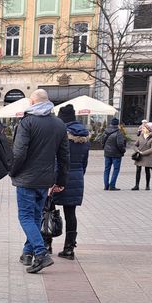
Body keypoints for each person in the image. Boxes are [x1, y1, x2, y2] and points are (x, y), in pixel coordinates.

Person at [11, 89, 69, 273]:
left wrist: (12, 171)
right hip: (45, 180)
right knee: (35, 216)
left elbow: (19, 153)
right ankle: (27, 254)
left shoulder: (27, 123)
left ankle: (41, 253)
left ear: (33, 102)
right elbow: (64, 156)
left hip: (27, 179)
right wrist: (60, 180)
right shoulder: (59, 124)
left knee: (26, 217)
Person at [49, 104, 90, 260]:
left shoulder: (60, 134)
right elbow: (85, 162)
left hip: (58, 176)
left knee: (48, 209)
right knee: (70, 214)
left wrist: (53, 179)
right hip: (77, 177)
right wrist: (79, 174)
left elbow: (56, 159)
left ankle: (47, 244)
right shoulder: (85, 136)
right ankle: (69, 249)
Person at [101, 118, 126, 191]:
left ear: (111, 123)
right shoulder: (118, 133)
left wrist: (105, 148)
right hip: (116, 154)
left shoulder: (106, 131)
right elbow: (120, 144)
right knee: (116, 170)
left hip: (107, 153)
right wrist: (123, 151)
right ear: (117, 124)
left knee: (107, 169)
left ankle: (106, 186)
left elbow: (102, 141)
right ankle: (112, 185)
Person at [132, 121, 152, 191]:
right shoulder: (141, 136)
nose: (142, 129)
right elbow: (135, 145)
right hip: (139, 156)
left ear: (149, 129)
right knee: (138, 170)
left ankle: (147, 185)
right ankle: (136, 185)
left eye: (144, 128)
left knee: (147, 170)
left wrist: (143, 153)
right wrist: (137, 151)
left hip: (147, 156)